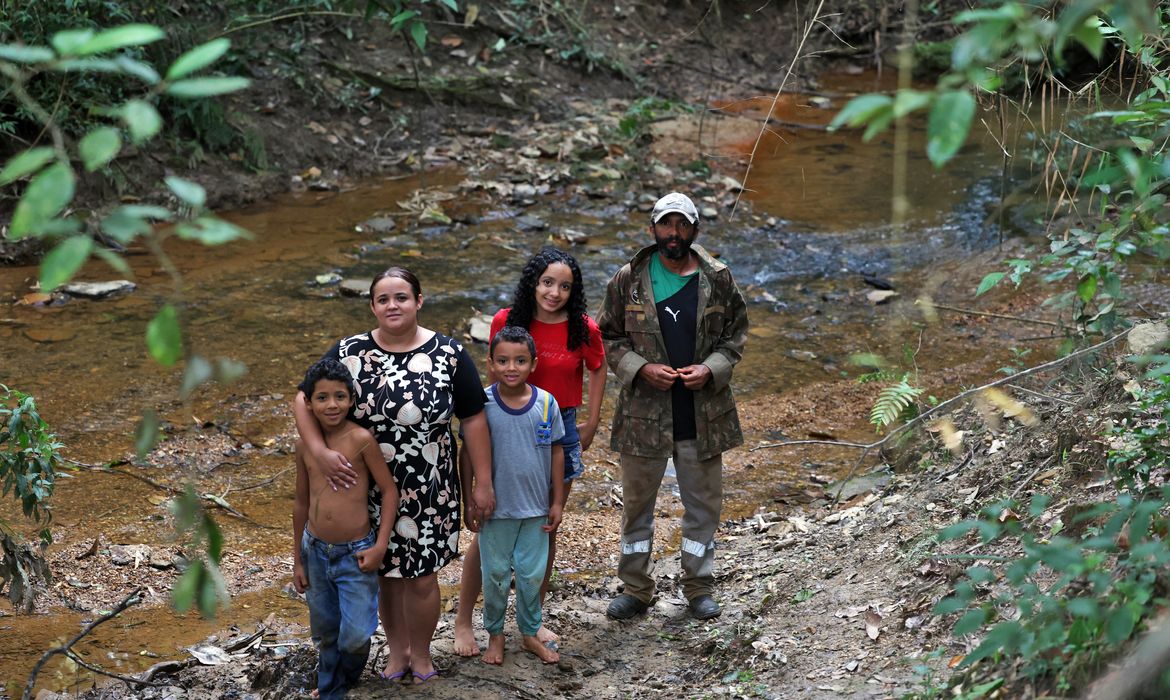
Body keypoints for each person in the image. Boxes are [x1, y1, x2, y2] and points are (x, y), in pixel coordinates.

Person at [292, 267, 494, 684]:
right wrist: (319, 451)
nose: (392, 305)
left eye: (401, 297)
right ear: (372, 306)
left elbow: (473, 419)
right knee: (383, 573)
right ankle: (397, 650)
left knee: (420, 576)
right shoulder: (349, 351)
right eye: (383, 299)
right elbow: (302, 397)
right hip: (362, 486)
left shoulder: (450, 355)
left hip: (431, 488)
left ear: (419, 301)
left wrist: (483, 482)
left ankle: (421, 655)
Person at [596, 191, 748, 621]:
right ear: (653, 229)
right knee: (637, 505)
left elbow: (735, 337)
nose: (674, 234)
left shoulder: (718, 277)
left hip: (702, 413)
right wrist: (641, 368)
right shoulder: (629, 278)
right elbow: (608, 337)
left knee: (703, 505)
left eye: (682, 225)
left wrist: (711, 368)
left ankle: (698, 587)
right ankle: (636, 589)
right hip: (644, 413)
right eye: (666, 224)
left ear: (695, 230)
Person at [454, 247, 605, 655]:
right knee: (488, 529)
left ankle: (532, 622)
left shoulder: (582, 327)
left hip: (557, 426)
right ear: (533, 283)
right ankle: (465, 620)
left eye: (565, 286)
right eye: (547, 282)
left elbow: (598, 366)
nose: (554, 293)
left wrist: (591, 420)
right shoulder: (509, 321)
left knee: (544, 528)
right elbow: (491, 368)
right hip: (502, 425)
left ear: (574, 292)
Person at [293, 358, 399, 700]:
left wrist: (380, 545)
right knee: (324, 631)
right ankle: (331, 689)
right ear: (308, 403)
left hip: (356, 552)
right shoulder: (306, 447)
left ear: (352, 399)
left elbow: (389, 491)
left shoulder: (360, 439)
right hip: (315, 550)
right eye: (322, 398)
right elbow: (300, 503)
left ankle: (348, 676)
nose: (332, 404)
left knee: (355, 634)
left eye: (340, 396)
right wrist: (298, 559)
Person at [463, 325, 565, 665]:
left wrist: (557, 502)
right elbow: (467, 454)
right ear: (490, 363)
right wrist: (468, 498)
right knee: (493, 575)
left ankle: (529, 631)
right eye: (503, 360)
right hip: (496, 511)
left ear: (533, 364)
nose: (511, 367)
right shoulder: (483, 405)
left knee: (531, 575)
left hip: (535, 509)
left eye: (520, 360)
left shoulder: (547, 404)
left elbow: (556, 452)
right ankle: (494, 634)